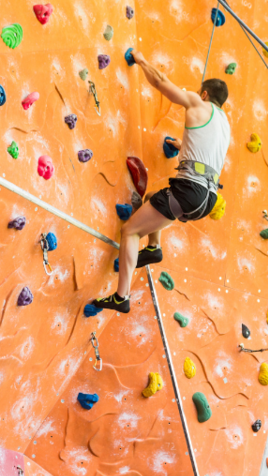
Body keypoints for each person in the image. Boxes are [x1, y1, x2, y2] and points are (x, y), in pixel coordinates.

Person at [91, 49, 231, 313]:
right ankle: (153, 248)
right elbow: (207, 151)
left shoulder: (198, 104)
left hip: (191, 190)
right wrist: (183, 145)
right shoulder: (224, 124)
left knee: (130, 231)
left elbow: (160, 82)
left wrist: (141, 60)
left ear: (204, 95)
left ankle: (121, 297)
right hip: (207, 198)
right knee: (154, 197)